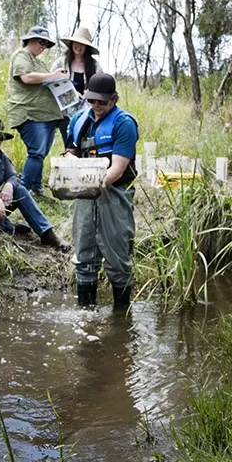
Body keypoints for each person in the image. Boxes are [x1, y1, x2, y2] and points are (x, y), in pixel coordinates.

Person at [64, 73, 139, 309]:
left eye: (102, 102)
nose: (96, 106)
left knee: (117, 254)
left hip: (114, 194)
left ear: (113, 99)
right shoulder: (78, 119)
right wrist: (73, 169)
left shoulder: (124, 123)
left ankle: (120, 321)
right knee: (84, 253)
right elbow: (70, 150)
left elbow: (116, 169)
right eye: (91, 100)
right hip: (85, 195)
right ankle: (85, 311)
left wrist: (92, 184)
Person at [0, 119, 71, 251]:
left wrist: (9, 185)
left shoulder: (0, 155)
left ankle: (47, 233)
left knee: (19, 189)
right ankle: (3, 226)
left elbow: (14, 176)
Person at [6, 26, 69, 196]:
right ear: (30, 39)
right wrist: (52, 76)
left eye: (46, 44)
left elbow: (48, 82)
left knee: (40, 154)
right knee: (36, 153)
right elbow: (26, 77)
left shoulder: (38, 61)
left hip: (47, 115)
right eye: (41, 42)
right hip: (30, 113)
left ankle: (36, 188)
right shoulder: (22, 55)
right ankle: (23, 192)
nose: (43, 46)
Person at [52, 26, 104, 143]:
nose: (78, 47)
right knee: (70, 144)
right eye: (76, 43)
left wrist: (90, 93)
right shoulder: (61, 62)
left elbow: (101, 85)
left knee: (86, 143)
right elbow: (52, 82)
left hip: (88, 112)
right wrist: (70, 92)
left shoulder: (95, 65)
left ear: (87, 47)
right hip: (65, 113)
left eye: (82, 44)